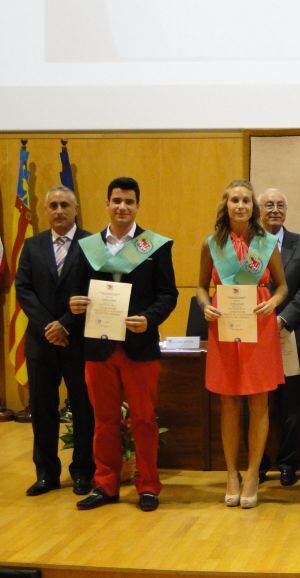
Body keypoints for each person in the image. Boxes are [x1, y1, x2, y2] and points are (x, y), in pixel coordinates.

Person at [69, 177, 178, 512]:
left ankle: (148, 486)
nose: (122, 207)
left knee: (144, 419)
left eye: (129, 202)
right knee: (103, 420)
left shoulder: (153, 246)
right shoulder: (87, 246)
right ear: (107, 203)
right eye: (116, 200)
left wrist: (149, 318)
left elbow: (168, 294)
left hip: (139, 347)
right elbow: (75, 293)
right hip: (98, 347)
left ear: (137, 206)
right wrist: (74, 305)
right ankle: (106, 484)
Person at [197, 180, 288, 508]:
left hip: (258, 325)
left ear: (254, 207)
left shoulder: (266, 243)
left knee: (258, 403)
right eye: (235, 200)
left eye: (246, 201)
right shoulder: (211, 244)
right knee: (229, 403)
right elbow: (200, 286)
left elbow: (282, 286)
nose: (240, 206)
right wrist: (204, 304)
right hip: (224, 326)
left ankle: (252, 474)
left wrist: (274, 302)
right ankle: (231, 472)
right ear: (226, 204)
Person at [15, 185, 94, 497]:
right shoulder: (32, 246)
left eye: (65, 205)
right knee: (43, 409)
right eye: (53, 206)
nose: (59, 211)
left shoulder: (91, 245)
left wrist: (65, 324)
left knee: (83, 409)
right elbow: (23, 289)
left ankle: (83, 472)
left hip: (78, 341)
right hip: (41, 342)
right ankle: (46, 473)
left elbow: (95, 290)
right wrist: (49, 325)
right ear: (45, 211)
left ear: (75, 209)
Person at [256, 188, 300, 487]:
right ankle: (258, 463)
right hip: (253, 338)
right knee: (257, 404)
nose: (275, 210)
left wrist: (283, 319)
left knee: (289, 405)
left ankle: (288, 464)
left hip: (287, 333)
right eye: (269, 205)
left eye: (280, 205)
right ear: (259, 210)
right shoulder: (247, 244)